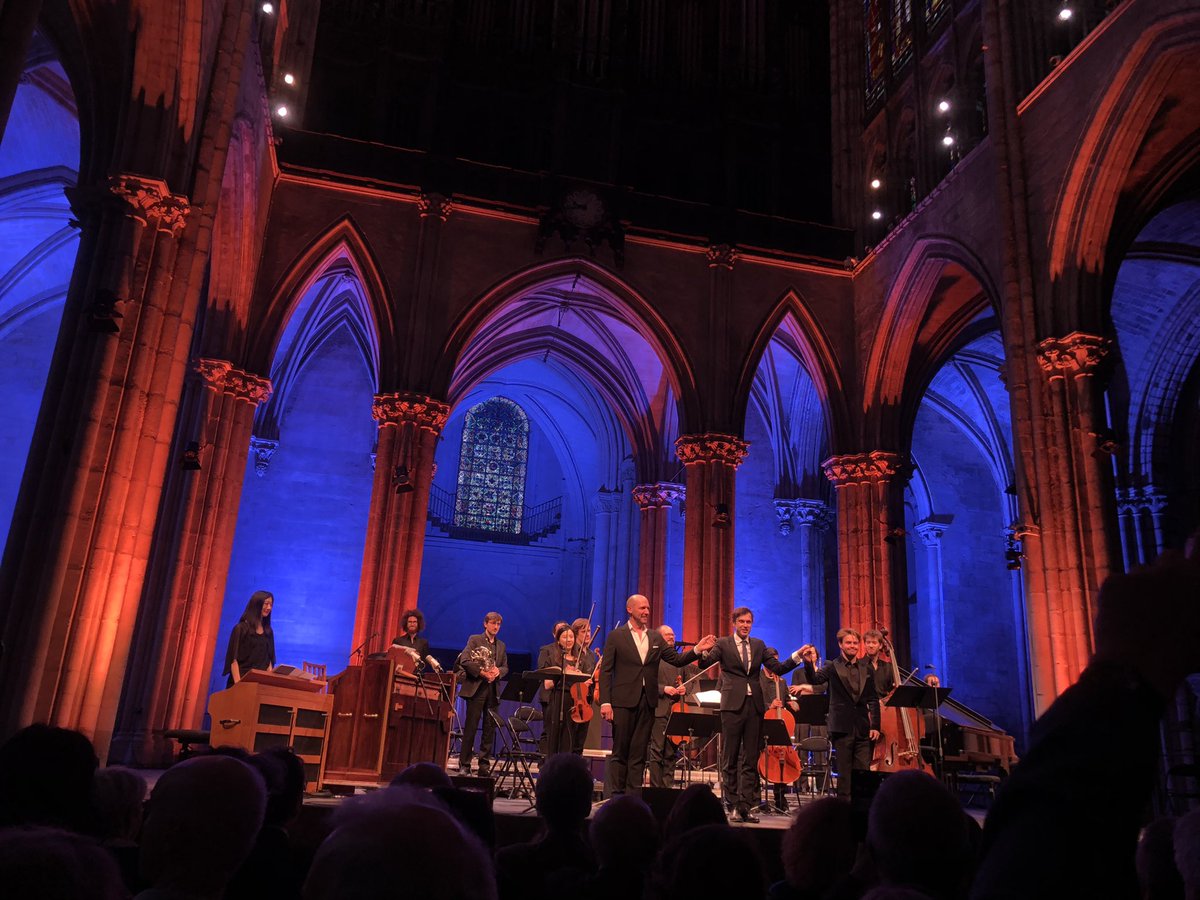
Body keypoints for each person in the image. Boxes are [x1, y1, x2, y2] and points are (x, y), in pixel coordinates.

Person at [695, 606, 805, 822]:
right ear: (734, 623)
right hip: (732, 706)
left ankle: (746, 806)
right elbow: (704, 663)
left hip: (754, 706)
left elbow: (779, 667)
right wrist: (702, 649)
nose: (745, 625)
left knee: (751, 758)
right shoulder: (724, 644)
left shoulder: (758, 645)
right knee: (731, 756)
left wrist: (796, 656)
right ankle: (732, 804)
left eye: (749, 622)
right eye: (742, 622)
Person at [598, 594, 715, 797]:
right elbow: (606, 671)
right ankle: (616, 796)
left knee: (639, 753)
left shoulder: (654, 637)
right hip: (623, 702)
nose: (646, 612)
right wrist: (606, 702)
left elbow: (677, 659)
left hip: (648, 702)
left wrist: (697, 649)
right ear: (630, 609)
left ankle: (633, 798)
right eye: (642, 608)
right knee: (620, 751)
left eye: (648, 608)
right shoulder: (616, 636)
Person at [797, 628, 881, 800]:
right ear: (840, 645)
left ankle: (861, 810)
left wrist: (875, 726)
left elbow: (873, 698)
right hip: (841, 728)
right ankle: (844, 812)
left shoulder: (867, 668)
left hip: (863, 727)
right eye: (849, 642)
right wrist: (807, 663)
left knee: (863, 772)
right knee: (844, 773)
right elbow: (815, 680)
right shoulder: (832, 666)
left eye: (855, 643)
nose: (852, 646)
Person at [454, 611, 508, 776]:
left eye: (498, 624)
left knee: (489, 729)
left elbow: (505, 667)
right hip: (477, 689)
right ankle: (465, 765)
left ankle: (484, 766)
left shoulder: (501, 645)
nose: (496, 627)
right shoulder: (474, 639)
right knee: (471, 727)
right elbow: (464, 660)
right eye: (493, 623)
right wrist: (481, 672)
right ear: (485, 624)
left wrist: (497, 672)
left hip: (492, 691)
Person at [648, 624, 699, 789]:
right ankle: (656, 788)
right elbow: (647, 682)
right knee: (657, 751)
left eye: (672, 634)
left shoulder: (679, 660)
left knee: (671, 752)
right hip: (659, 709)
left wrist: (685, 688)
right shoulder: (653, 657)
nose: (671, 637)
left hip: (675, 712)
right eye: (667, 634)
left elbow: (688, 682)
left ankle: (667, 787)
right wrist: (664, 688)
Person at [538, 622, 588, 756]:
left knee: (570, 738)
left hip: (575, 701)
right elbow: (547, 685)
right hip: (558, 700)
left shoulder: (581, 659)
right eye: (565, 637)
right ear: (558, 640)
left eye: (571, 636)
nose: (569, 640)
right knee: (554, 738)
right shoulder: (552, 658)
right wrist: (563, 673)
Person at [223, 590, 276, 687]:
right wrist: (238, 686)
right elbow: (233, 661)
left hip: (259, 684)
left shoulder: (269, 632)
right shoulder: (240, 629)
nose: (269, 608)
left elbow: (268, 662)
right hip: (240, 682)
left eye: (271, 605)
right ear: (257, 604)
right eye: (266, 604)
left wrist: (269, 685)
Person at [391, 608, 442, 672]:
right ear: (406, 624)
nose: (412, 624)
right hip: (400, 675)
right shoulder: (398, 641)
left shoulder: (424, 643)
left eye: (414, 622)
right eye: (410, 622)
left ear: (418, 624)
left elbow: (425, 663)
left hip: (416, 677)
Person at [862, 629, 896, 696]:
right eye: (868, 642)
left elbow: (892, 693)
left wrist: (884, 701)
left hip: (885, 706)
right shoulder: (857, 665)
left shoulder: (888, 667)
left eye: (874, 643)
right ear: (865, 645)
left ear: (880, 646)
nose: (871, 646)